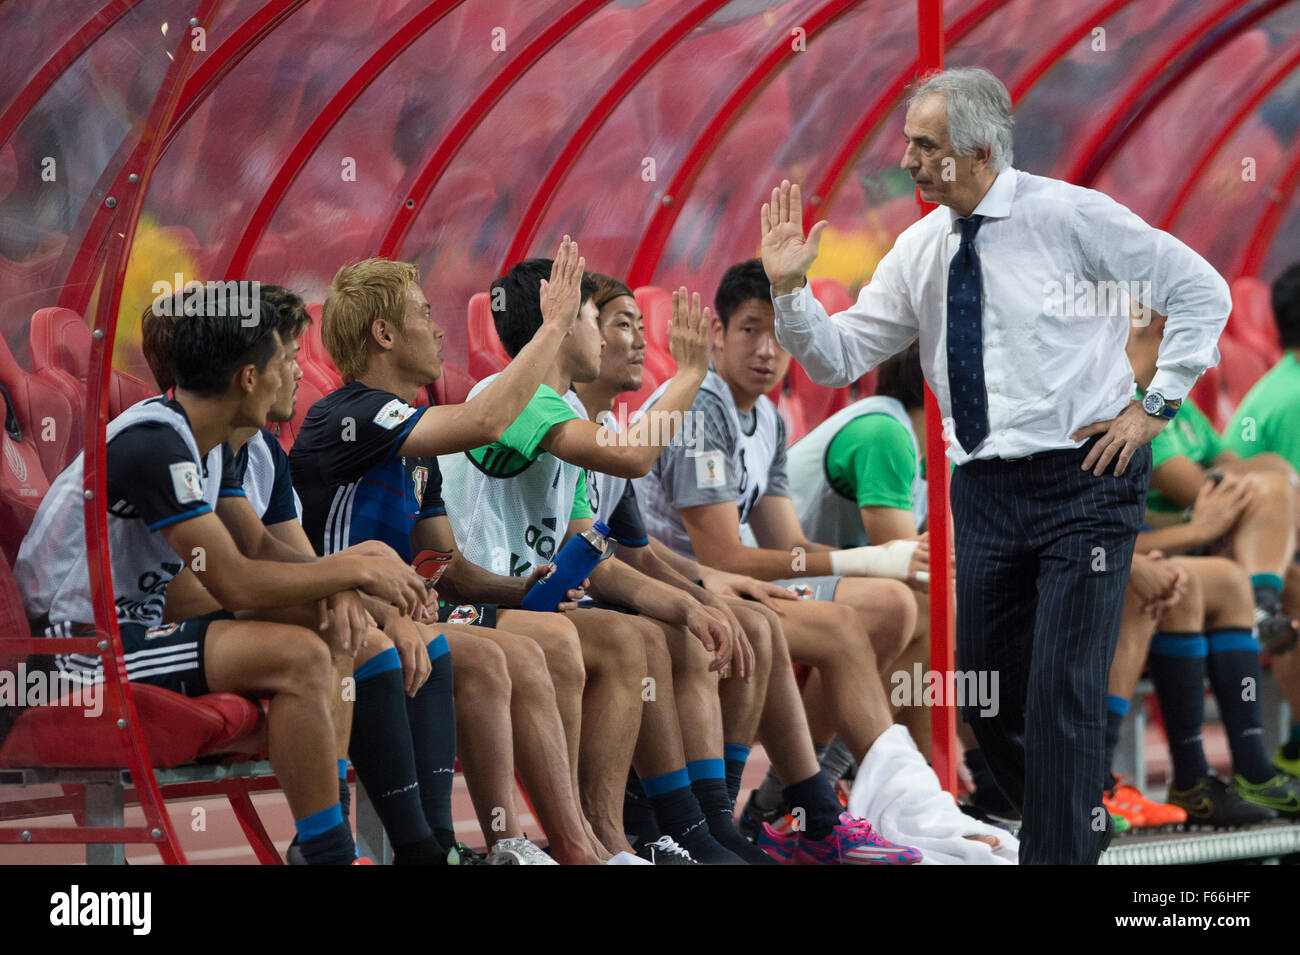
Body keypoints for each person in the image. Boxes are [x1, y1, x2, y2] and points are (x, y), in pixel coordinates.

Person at [759, 67, 1231, 863]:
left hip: (1086, 478)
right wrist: (791, 293)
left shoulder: (1070, 215)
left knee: (1062, 693)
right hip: (982, 492)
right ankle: (1076, 822)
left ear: (979, 151)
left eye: (924, 144)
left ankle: (1056, 851)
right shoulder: (919, 247)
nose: (905, 159)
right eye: (907, 140)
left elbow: (1200, 289)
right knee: (987, 689)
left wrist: (1157, 406)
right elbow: (838, 359)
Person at [16, 282, 433, 864]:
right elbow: (232, 580)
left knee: (341, 633)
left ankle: (327, 839)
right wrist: (346, 571)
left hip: (135, 629)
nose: (297, 374)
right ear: (247, 378)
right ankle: (331, 852)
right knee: (301, 656)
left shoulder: (215, 443)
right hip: (78, 650)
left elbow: (258, 543)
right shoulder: (154, 443)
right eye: (287, 361)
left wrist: (337, 582)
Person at [570, 272, 928, 864]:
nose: (766, 350)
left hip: (700, 581)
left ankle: (791, 806)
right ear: (716, 333)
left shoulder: (769, 419)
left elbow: (786, 545)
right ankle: (804, 809)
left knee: (898, 605)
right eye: (750, 331)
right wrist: (870, 560)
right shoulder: (700, 405)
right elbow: (722, 556)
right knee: (877, 608)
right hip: (673, 585)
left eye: (780, 335)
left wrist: (862, 565)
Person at [288, 249, 609, 864]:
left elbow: (445, 566)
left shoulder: (413, 436)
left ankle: (547, 845)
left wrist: (523, 591)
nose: (438, 330)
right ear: (383, 333)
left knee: (520, 644)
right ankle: (504, 844)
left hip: (396, 621)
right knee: (490, 656)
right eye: (423, 315)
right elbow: (489, 421)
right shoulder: (352, 413)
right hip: (340, 620)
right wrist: (552, 327)